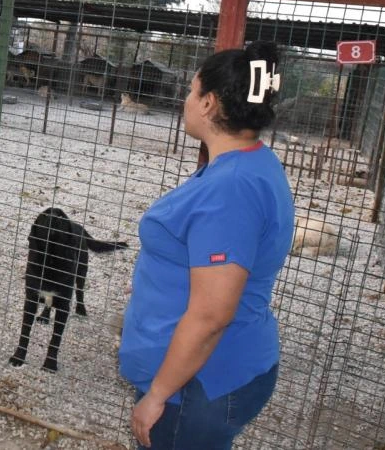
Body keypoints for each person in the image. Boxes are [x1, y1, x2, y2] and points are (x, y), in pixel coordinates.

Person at [118, 41, 295, 449]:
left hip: (197, 384)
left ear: (209, 104)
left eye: (192, 90)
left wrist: (157, 395)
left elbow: (212, 315)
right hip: (206, 371)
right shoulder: (250, 161)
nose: (186, 99)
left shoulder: (230, 189)